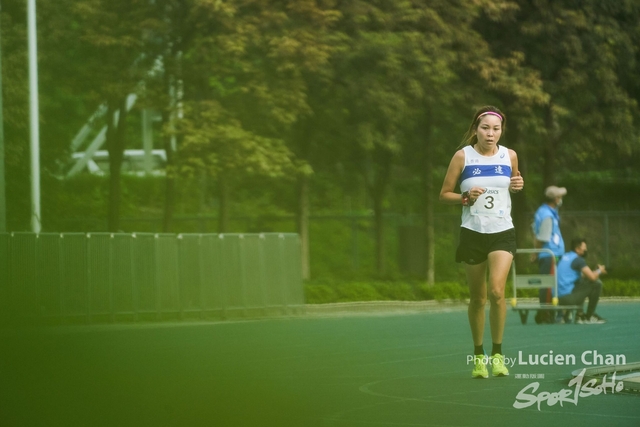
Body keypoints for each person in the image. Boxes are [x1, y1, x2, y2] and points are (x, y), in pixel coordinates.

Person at [439, 105, 524, 379]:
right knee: (478, 298)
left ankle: (497, 355)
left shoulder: (509, 155)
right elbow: (444, 194)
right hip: (473, 231)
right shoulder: (462, 156)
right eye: (485, 128)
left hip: (502, 230)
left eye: (496, 129)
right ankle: (479, 357)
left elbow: (514, 183)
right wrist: (465, 198)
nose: (491, 134)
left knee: (497, 292)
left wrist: (517, 185)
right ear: (476, 129)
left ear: (501, 131)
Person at [532, 186, 567, 324]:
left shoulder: (548, 212)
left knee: (550, 284)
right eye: (560, 197)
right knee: (547, 285)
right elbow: (543, 237)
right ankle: (545, 313)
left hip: (551, 254)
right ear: (555, 199)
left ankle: (547, 312)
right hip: (550, 255)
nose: (561, 200)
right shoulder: (547, 215)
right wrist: (537, 252)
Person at [556, 237, 607, 324]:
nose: (586, 250)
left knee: (583, 282)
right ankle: (589, 316)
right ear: (577, 249)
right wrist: (599, 271)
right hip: (568, 298)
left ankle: (579, 315)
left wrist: (594, 272)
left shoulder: (566, 256)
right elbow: (592, 278)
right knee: (597, 284)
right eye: (584, 248)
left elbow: (582, 275)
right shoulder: (578, 260)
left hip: (558, 297)